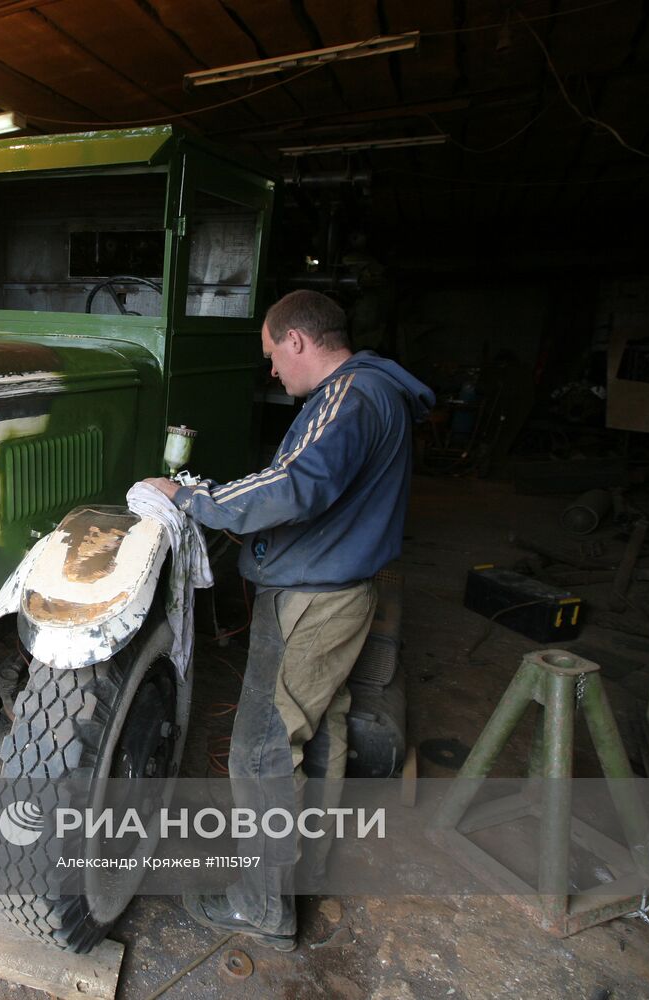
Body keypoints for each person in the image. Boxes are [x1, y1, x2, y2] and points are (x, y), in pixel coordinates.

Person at [143, 289, 434, 951]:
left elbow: (294, 486)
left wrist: (190, 496)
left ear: (296, 341)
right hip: (339, 589)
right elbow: (305, 487)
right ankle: (306, 863)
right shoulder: (374, 394)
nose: (272, 372)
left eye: (272, 356)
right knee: (319, 728)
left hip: (314, 599)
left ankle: (260, 905)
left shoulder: (348, 398)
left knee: (261, 750)